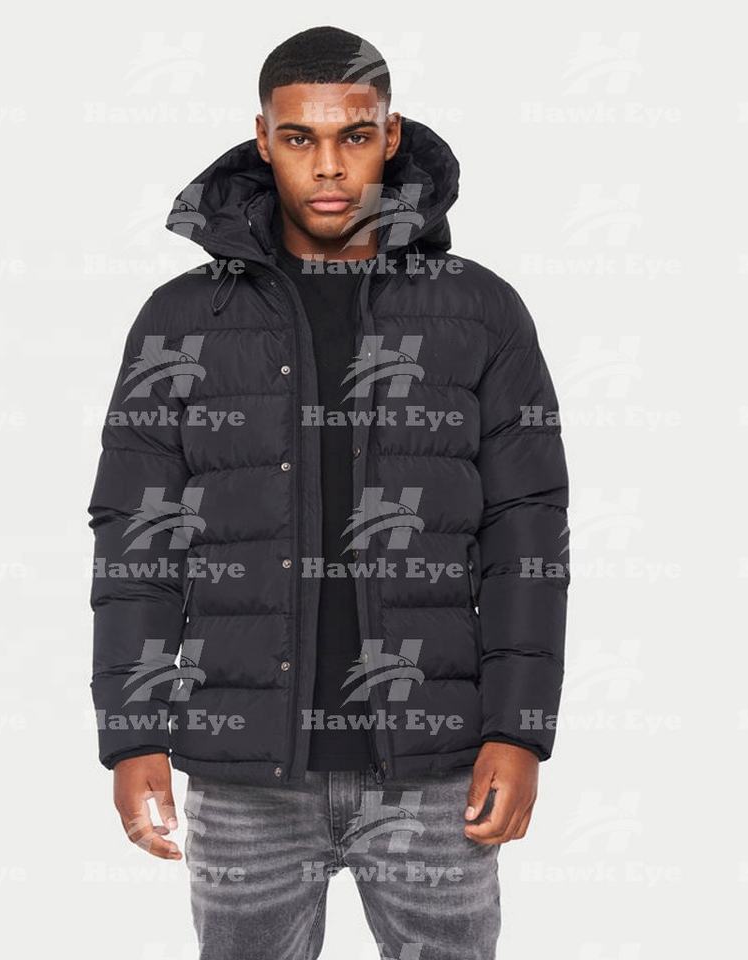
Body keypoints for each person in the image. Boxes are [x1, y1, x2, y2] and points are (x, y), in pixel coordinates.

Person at [87, 25, 570, 960]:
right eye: (299, 137)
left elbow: (527, 533)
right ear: (263, 140)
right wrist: (133, 736)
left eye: (353, 135)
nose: (329, 166)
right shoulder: (182, 319)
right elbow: (137, 541)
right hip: (244, 778)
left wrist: (520, 730)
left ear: (390, 136)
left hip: (436, 767)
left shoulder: (479, 310)